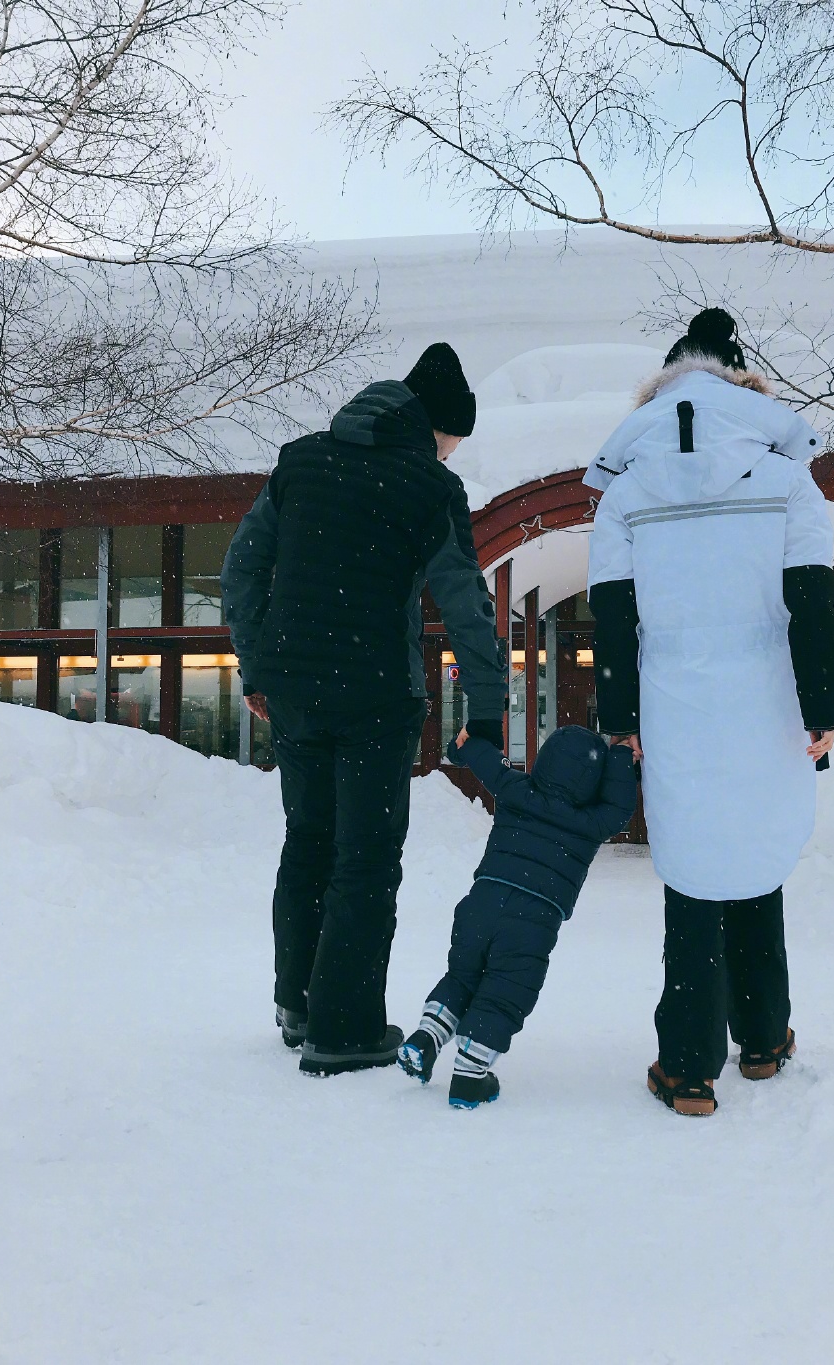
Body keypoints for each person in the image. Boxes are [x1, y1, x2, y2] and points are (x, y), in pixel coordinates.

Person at [585, 307, 834, 1117]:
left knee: (693, 872)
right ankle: (765, 1038)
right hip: (767, 696)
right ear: (740, 379)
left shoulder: (627, 489)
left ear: (663, 384)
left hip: (676, 700)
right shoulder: (784, 479)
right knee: (756, 858)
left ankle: (690, 1063)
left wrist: (620, 717)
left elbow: (610, 611)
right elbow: (813, 602)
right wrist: (822, 709)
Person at [221, 343, 506, 1077]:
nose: (450, 454)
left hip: (294, 687)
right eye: (453, 441)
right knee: (366, 855)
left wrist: (257, 663)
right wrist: (489, 706)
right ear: (438, 427)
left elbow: (244, 564)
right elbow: (467, 604)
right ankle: (342, 1029)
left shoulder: (302, 461)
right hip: (375, 690)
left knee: (308, 840)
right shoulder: (428, 485)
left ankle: (299, 1002)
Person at [396, 725, 638, 1108]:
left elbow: (485, 761)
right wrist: (623, 752)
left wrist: (463, 748)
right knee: (503, 994)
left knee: (462, 977)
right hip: (532, 923)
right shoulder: (591, 822)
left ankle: (425, 1039)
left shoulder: (516, 790)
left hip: (481, 904)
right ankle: (470, 1078)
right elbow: (620, 806)